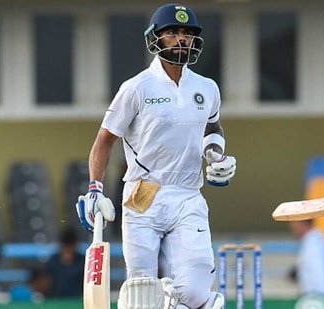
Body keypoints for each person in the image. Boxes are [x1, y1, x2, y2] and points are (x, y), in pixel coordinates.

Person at [75, 3, 236, 309]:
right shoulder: (136, 88)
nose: (181, 39)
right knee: (141, 293)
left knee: (196, 293)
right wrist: (95, 188)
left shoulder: (207, 88)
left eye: (187, 34)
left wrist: (215, 155)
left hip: (188, 193)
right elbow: (104, 140)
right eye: (172, 33)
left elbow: (212, 126)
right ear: (156, 39)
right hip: (143, 192)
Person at [288, 220, 324, 298]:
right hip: (315, 298)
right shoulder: (312, 241)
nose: (291, 226)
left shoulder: (314, 245)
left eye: (293, 223)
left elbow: (320, 275)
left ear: (301, 223)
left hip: (318, 299)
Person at [45, 227, 85, 298]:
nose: (68, 251)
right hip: (56, 300)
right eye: (66, 247)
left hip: (77, 301)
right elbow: (46, 284)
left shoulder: (82, 262)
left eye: (70, 247)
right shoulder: (53, 262)